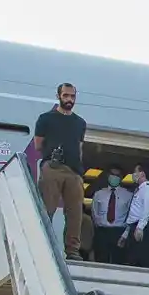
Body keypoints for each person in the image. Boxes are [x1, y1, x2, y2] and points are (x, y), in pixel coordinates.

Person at [35, 83, 87, 260]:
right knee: (47, 208)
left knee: (75, 212)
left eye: (72, 96)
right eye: (66, 96)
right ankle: (41, 244)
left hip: (74, 171)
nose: (69, 100)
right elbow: (38, 144)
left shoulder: (80, 123)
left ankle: (72, 250)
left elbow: (79, 148)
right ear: (58, 96)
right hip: (53, 167)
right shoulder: (46, 119)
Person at [90, 169, 135, 265]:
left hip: (119, 232)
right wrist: (99, 227)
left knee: (118, 262)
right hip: (102, 231)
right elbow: (94, 212)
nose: (114, 177)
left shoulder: (128, 195)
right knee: (100, 261)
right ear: (108, 176)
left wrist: (125, 234)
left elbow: (131, 216)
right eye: (112, 174)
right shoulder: (99, 194)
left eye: (117, 175)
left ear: (121, 177)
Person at [122, 161, 149, 268]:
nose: (133, 175)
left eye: (135, 172)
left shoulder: (148, 189)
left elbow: (148, 210)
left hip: (142, 228)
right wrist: (125, 234)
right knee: (131, 260)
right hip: (134, 227)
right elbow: (134, 214)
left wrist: (140, 227)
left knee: (140, 260)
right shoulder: (139, 190)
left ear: (142, 174)